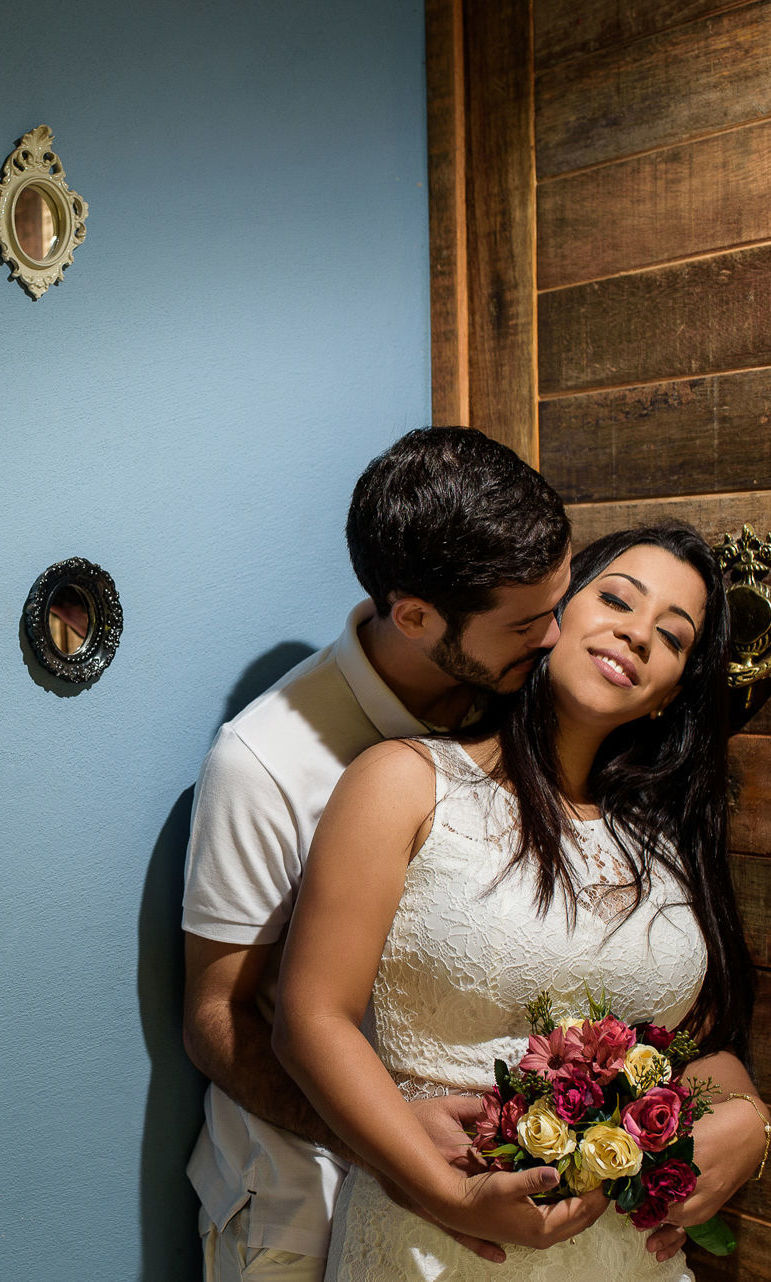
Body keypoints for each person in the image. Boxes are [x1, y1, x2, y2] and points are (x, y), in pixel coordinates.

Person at [274, 524, 769, 1282]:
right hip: (438, 1240)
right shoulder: (406, 783)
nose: (637, 634)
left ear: (671, 694)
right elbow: (310, 1019)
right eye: (616, 600)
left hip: (624, 1258)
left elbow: (695, 1047)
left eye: (672, 636)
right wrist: (448, 1195)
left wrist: (750, 1120)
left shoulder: (668, 844)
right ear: (552, 615)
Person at [182, 427, 590, 1282]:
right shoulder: (261, 764)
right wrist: (389, 1142)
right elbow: (215, 1021)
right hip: (300, 1202)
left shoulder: (514, 699)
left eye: (558, 604)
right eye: (526, 622)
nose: (556, 636)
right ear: (414, 617)